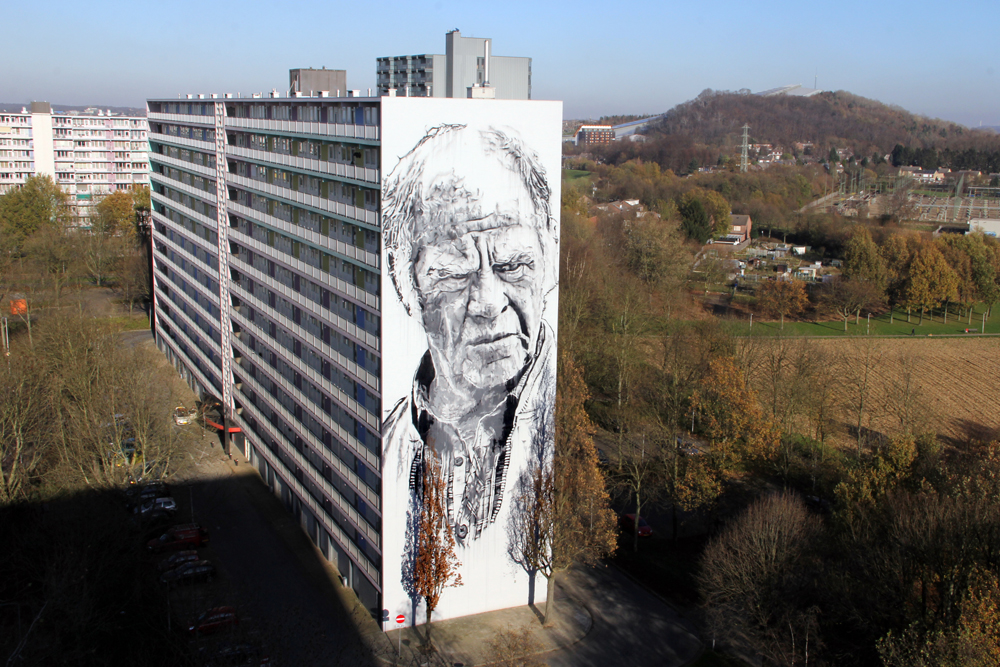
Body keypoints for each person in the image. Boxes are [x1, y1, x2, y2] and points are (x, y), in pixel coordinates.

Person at [381, 123, 558, 548]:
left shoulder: (565, 427)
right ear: (405, 286)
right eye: (455, 274)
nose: (487, 301)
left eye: (513, 265)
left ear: (549, 260)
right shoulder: (387, 447)